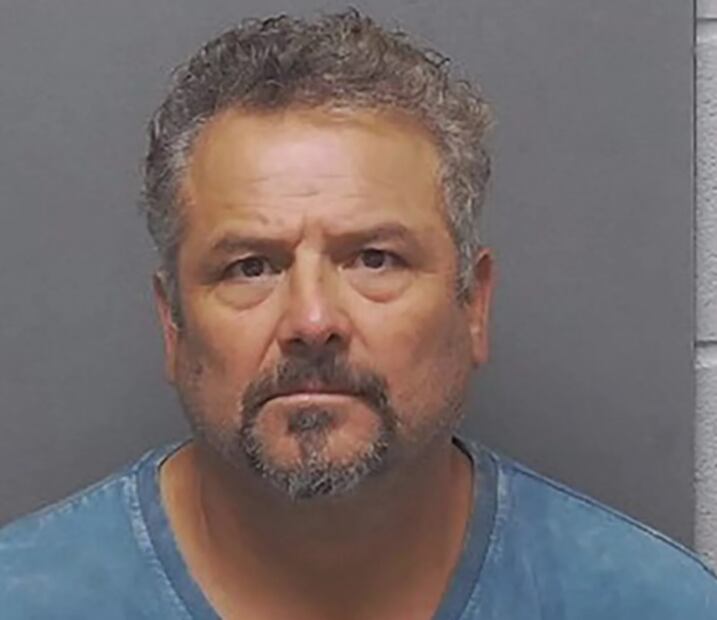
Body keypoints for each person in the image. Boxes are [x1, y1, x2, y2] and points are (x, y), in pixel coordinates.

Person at [0, 9, 715, 619]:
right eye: (251, 266)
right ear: (173, 324)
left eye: (374, 259)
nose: (312, 321)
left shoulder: (651, 604)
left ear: (473, 304)